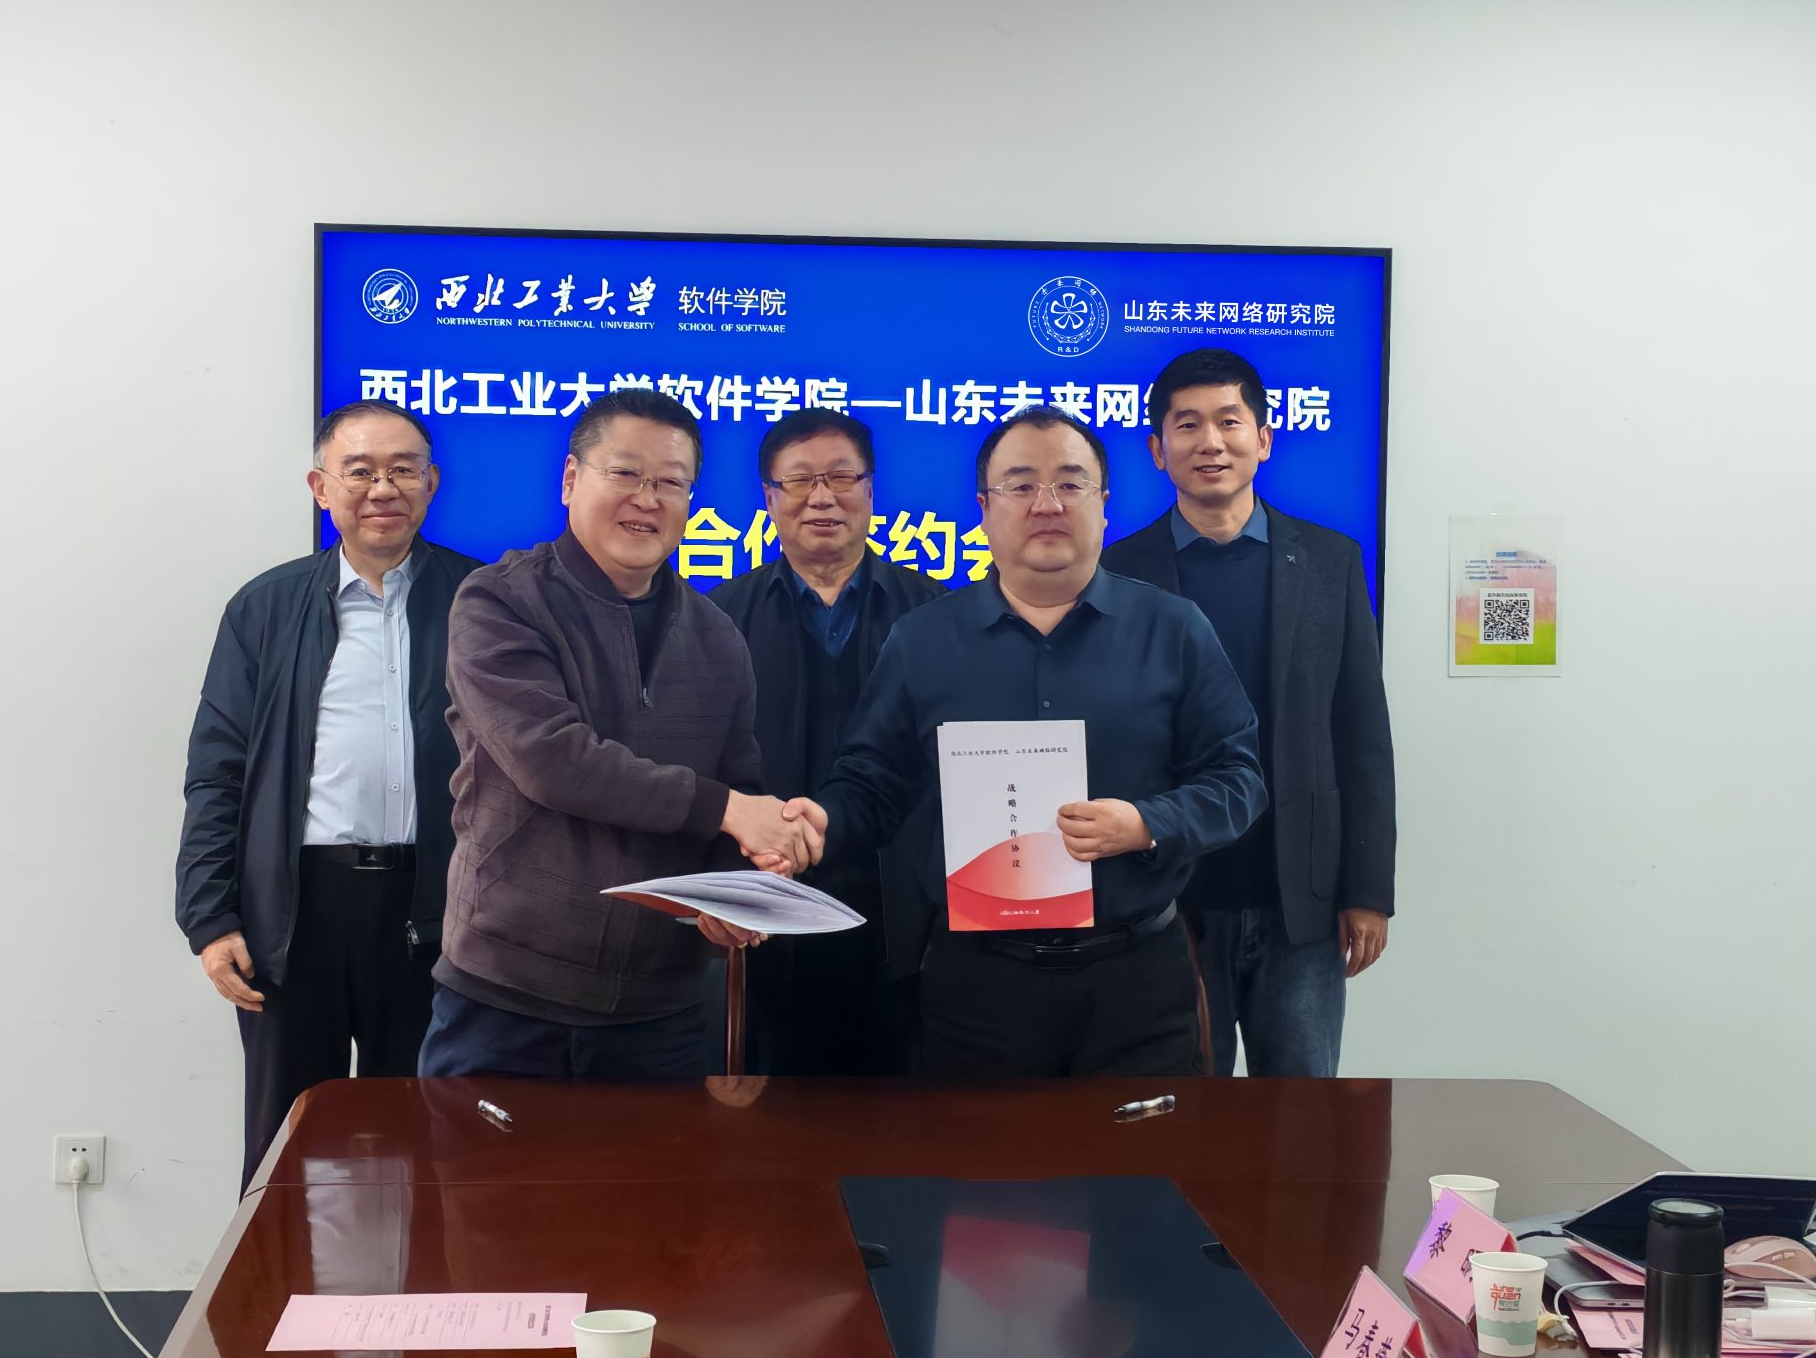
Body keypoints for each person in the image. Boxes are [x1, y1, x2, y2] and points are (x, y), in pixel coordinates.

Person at [791, 407, 1267, 1077]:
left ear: (1105, 504)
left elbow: (1239, 779)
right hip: (978, 987)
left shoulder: (1175, 629)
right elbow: (874, 781)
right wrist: (825, 819)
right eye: (1020, 485)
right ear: (984, 509)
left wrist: (1146, 824)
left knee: (1143, 1150)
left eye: (1070, 484)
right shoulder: (924, 640)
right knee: (983, 1151)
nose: (1047, 504)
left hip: (1135, 984)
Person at [418, 389, 821, 1081]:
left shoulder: (718, 635)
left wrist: (742, 885)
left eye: (671, 482)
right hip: (507, 997)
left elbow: (739, 783)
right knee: (475, 1160)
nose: (647, 499)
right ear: (571, 479)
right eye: (626, 473)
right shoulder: (500, 600)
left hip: (658, 1010)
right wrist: (732, 811)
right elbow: (553, 760)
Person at [177, 399, 483, 1189]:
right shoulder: (265, 608)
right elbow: (217, 771)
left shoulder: (480, 601)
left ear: (432, 484)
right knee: (287, 1145)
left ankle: (425, 1280)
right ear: (321, 488)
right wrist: (210, 917)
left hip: (435, 908)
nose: (383, 488)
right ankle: (275, 1277)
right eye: (360, 471)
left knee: (427, 1148)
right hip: (295, 913)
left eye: (403, 470)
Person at [1102, 348, 1396, 1078]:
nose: (1211, 442)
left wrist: (1368, 891)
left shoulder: (1329, 561)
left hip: (1301, 902)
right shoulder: (1116, 572)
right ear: (1156, 449)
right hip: (1169, 900)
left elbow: (1361, 735)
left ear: (1263, 439)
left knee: (1299, 1120)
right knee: (1178, 1113)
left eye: (1229, 422)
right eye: (1187, 425)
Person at [708, 409, 944, 1075]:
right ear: (769, 497)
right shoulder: (717, 619)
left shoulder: (936, 616)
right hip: (767, 909)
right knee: (773, 1111)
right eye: (800, 480)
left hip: (906, 917)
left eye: (842, 478)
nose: (822, 497)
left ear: (870, 490)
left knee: (907, 1114)